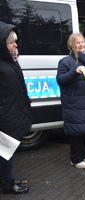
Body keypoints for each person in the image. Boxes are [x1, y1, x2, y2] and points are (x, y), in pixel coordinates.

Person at [57, 33, 85, 169]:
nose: (81, 45)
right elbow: (60, 80)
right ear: (72, 46)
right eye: (77, 43)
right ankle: (75, 158)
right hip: (74, 103)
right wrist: (75, 71)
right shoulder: (66, 61)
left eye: (83, 42)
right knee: (75, 131)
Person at [0, 21, 31, 194]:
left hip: (13, 112)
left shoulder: (10, 60)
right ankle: (8, 184)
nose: (16, 44)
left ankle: (5, 177)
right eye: (12, 42)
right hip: (6, 114)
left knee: (5, 150)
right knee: (6, 150)